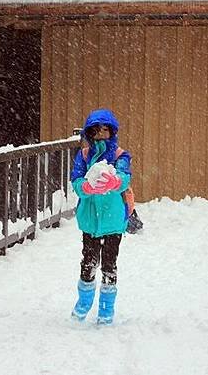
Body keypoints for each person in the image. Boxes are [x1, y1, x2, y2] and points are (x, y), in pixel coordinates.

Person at [70, 108, 132, 325]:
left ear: (112, 132)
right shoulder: (84, 155)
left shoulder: (119, 155)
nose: (101, 134)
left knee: (109, 264)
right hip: (90, 220)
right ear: (90, 133)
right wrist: (85, 187)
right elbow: (76, 180)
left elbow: (125, 176)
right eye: (96, 131)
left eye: (105, 130)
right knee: (88, 263)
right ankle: (83, 304)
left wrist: (116, 182)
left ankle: (106, 310)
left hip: (113, 220)